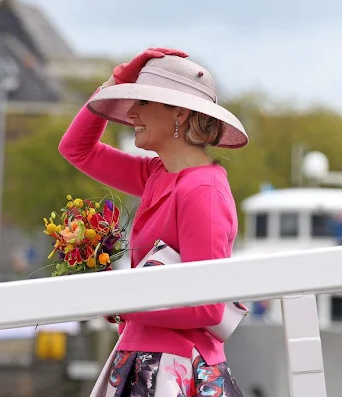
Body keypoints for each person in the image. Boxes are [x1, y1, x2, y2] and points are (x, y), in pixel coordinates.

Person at [59, 48, 247, 396]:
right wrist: (117, 80)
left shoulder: (202, 191)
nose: (130, 113)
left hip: (173, 368)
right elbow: (76, 148)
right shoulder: (159, 175)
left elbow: (207, 306)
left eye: (142, 102)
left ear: (179, 112)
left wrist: (122, 302)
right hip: (145, 360)